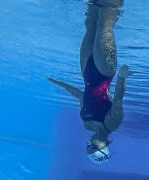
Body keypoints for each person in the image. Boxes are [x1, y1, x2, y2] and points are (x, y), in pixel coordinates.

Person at [47, 0, 133, 164]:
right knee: (104, 25)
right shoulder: (112, 124)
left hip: (86, 72)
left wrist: (60, 83)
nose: (89, 143)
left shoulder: (87, 125)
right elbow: (119, 99)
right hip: (104, 71)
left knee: (90, 23)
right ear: (103, 147)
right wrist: (121, 77)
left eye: (88, 146)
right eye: (92, 147)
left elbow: (82, 96)